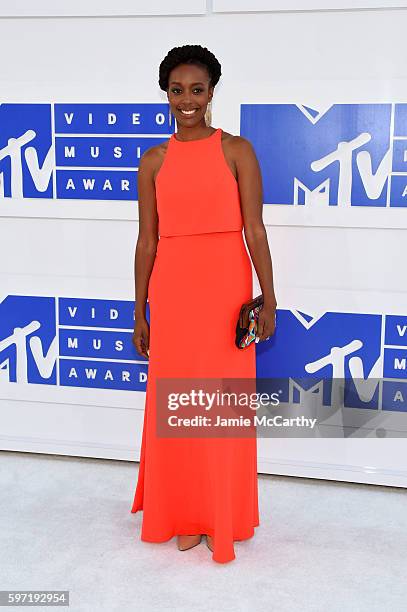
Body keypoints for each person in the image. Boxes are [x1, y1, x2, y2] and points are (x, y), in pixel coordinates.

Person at [131, 44, 277, 563]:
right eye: (177, 90)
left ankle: (222, 512)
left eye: (197, 89)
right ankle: (186, 513)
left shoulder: (237, 150)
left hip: (226, 289)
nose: (186, 100)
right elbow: (147, 241)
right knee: (177, 403)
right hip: (173, 292)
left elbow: (255, 230)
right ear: (165, 94)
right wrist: (138, 310)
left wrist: (270, 297)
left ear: (212, 91)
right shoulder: (153, 160)